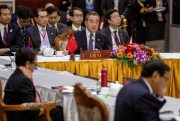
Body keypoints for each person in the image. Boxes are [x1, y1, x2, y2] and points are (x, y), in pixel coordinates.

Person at [3, 47, 64, 121]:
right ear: (27, 64)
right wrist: (44, 107)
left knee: (57, 110)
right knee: (59, 113)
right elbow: (31, 111)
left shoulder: (17, 74)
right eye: (35, 64)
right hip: (22, 117)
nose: (35, 67)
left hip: (17, 113)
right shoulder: (24, 80)